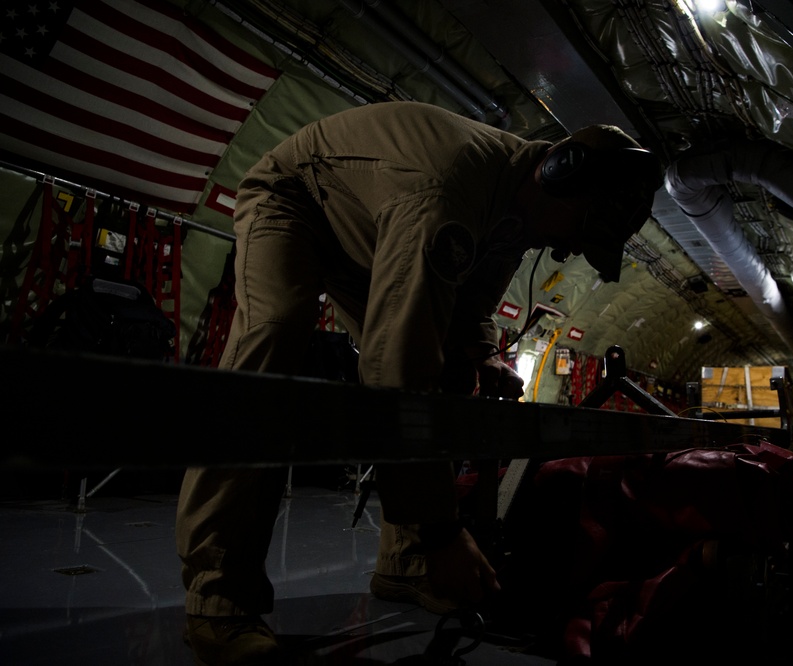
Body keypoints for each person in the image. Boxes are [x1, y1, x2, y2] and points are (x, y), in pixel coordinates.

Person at [175, 101, 661, 664]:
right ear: (560, 173)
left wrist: (481, 355)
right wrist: (441, 531)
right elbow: (396, 368)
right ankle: (218, 600)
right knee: (274, 342)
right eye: (582, 232)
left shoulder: (517, 215)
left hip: (371, 231)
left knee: (452, 370)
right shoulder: (451, 192)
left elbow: (471, 300)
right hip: (297, 199)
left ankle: (405, 564)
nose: (572, 250)